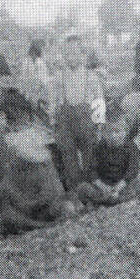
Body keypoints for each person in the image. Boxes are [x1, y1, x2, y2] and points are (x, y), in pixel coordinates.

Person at [1, 95, 75, 228]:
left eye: (18, 113)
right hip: (26, 199)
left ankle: (40, 223)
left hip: (46, 197)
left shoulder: (36, 135)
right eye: (11, 114)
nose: (16, 117)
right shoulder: (10, 140)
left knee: (66, 207)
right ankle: (38, 224)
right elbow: (10, 188)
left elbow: (53, 163)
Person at [49, 34, 103, 188]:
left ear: (82, 54)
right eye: (67, 54)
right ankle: (76, 191)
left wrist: (99, 124)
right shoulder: (58, 78)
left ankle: (92, 188)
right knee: (68, 157)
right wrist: (54, 122)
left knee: (89, 156)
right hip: (65, 122)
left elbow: (99, 100)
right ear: (64, 55)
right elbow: (53, 101)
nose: (71, 57)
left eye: (75, 53)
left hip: (86, 121)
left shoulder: (91, 76)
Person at [77, 117, 140, 206]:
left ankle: (114, 200)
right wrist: (102, 186)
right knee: (82, 188)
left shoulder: (131, 147)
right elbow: (91, 170)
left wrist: (119, 187)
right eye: (109, 132)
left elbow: (132, 170)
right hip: (103, 187)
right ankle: (106, 201)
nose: (113, 136)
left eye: (117, 132)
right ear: (103, 133)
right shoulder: (98, 148)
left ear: (125, 132)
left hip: (122, 186)